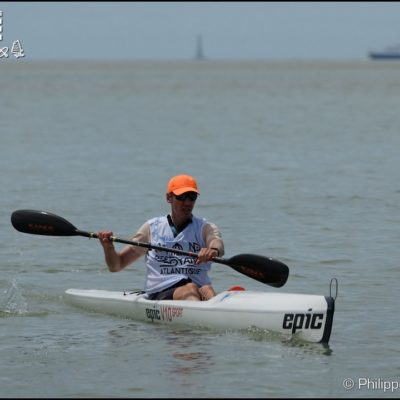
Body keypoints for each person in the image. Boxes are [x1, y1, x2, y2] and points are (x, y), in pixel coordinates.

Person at [97, 174, 224, 301]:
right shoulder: (152, 228)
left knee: (206, 288)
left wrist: (213, 250)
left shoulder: (205, 227)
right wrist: (108, 248)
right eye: (181, 197)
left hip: (198, 288)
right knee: (190, 289)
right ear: (169, 198)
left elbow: (216, 242)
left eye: (192, 197)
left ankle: (215, 313)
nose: (187, 202)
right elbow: (116, 265)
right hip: (162, 292)